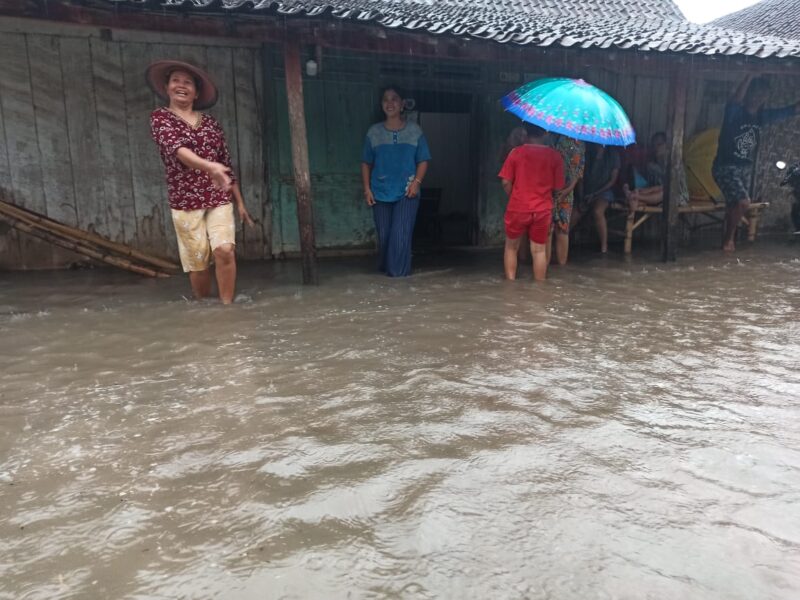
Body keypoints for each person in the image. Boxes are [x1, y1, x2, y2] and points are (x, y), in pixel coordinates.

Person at [147, 60, 253, 304]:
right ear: (166, 87)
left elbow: (225, 165)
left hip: (218, 197)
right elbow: (178, 150)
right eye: (176, 81)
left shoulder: (211, 124)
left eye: (187, 83)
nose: (181, 86)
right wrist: (208, 166)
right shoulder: (161, 118)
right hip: (185, 201)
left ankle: (227, 309)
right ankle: (204, 309)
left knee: (225, 250)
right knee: (199, 263)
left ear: (196, 92)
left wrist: (240, 203)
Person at [712, 75, 800, 251]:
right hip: (725, 166)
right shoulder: (735, 112)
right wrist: (748, 75)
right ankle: (728, 240)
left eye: (763, 95)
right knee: (744, 202)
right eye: (755, 93)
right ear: (748, 93)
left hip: (744, 168)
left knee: (734, 204)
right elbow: (734, 101)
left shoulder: (762, 116)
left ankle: (726, 242)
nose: (758, 98)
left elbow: (792, 110)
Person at [361, 85, 431, 277]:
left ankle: (397, 281)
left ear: (402, 104)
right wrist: (367, 189)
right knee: (385, 238)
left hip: (407, 192)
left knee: (399, 237)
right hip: (380, 192)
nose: (389, 103)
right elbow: (366, 162)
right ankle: (388, 273)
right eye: (385, 99)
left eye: (394, 99)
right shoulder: (373, 133)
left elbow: (423, 160)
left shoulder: (414, 131)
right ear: (381, 104)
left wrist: (416, 182)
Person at [498, 123, 565, 281]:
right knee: (539, 250)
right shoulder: (555, 156)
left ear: (525, 133)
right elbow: (558, 187)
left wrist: (514, 196)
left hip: (518, 206)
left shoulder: (516, 153)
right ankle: (539, 291)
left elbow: (505, 182)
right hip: (542, 209)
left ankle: (510, 286)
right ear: (545, 133)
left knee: (512, 247)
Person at [571, 143, 620, 253]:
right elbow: (580, 178)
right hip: (587, 192)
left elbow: (612, 181)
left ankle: (604, 246)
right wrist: (582, 196)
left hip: (604, 192)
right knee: (574, 215)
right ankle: (561, 243)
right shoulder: (587, 153)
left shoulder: (613, 154)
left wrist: (596, 194)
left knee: (598, 211)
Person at [623, 131, 689, 212]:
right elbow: (655, 186)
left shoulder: (674, 163)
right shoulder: (655, 164)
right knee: (649, 190)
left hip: (676, 195)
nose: (656, 148)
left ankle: (636, 197)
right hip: (658, 193)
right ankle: (634, 196)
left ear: (667, 145)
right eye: (654, 146)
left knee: (663, 192)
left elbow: (670, 187)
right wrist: (645, 190)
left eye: (659, 145)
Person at [549, 134, 585, 265]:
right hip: (549, 189)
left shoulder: (580, 143)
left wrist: (568, 190)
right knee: (548, 228)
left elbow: (579, 171)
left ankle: (561, 267)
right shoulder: (552, 137)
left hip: (566, 191)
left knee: (562, 228)